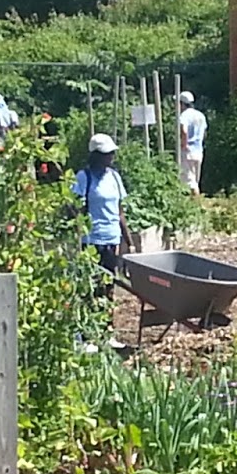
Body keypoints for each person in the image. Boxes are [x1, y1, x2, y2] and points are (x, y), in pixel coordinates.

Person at [72, 133, 131, 344]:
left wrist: (128, 241)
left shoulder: (114, 177)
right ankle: (88, 336)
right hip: (91, 241)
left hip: (111, 239)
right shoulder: (84, 177)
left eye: (112, 153)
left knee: (108, 287)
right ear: (96, 155)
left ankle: (107, 333)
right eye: (107, 154)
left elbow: (119, 212)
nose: (111, 157)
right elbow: (75, 209)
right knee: (91, 287)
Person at [177, 91, 207, 194]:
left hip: (188, 151)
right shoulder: (201, 116)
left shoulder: (184, 115)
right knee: (195, 181)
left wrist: (183, 145)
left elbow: (184, 130)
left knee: (190, 183)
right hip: (198, 150)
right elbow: (204, 133)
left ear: (181, 103)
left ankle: (195, 206)